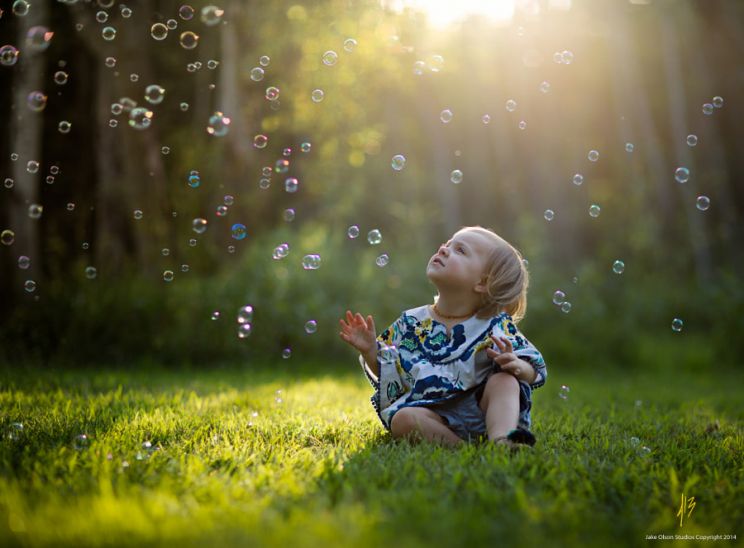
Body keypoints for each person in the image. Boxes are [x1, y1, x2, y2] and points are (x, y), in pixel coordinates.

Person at [338, 225, 547, 449]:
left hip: (484, 413)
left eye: (460, 250)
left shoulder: (494, 326)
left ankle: (501, 438)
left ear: (483, 283)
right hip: (432, 415)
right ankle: (462, 448)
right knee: (403, 420)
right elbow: (388, 372)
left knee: (504, 381)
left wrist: (516, 366)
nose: (444, 249)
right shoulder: (412, 323)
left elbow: (535, 368)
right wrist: (370, 350)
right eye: (447, 244)